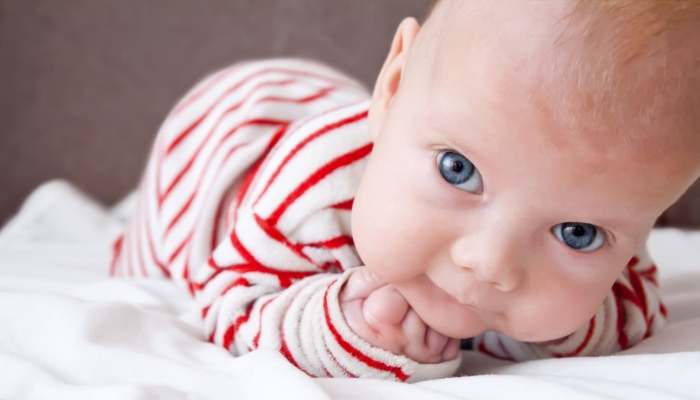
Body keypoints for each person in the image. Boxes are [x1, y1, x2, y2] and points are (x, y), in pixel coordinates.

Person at [111, 0, 700, 382]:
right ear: (391, 86)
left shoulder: (596, 191)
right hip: (220, 142)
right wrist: (339, 329)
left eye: (577, 233)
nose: (487, 262)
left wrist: (552, 330)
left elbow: (631, 309)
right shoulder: (308, 201)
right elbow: (226, 304)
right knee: (145, 267)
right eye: (457, 170)